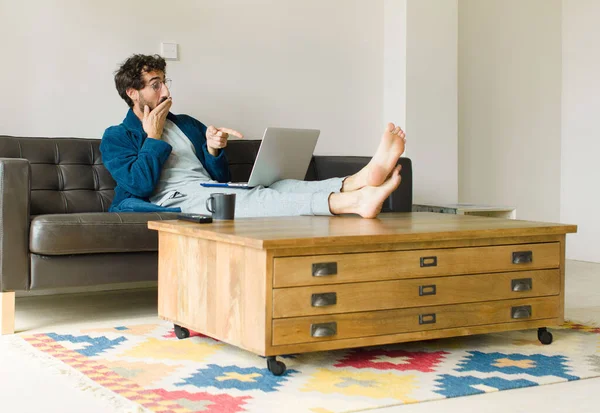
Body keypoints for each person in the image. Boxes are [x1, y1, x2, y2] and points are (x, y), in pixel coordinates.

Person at [100, 54, 407, 219]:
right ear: (132, 93)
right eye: (155, 85)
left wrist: (213, 150)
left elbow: (218, 176)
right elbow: (140, 186)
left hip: (206, 189)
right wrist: (153, 138)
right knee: (252, 197)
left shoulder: (186, 124)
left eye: (165, 82)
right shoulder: (116, 137)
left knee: (278, 185)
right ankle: (350, 203)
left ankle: (357, 180)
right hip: (172, 200)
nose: (166, 91)